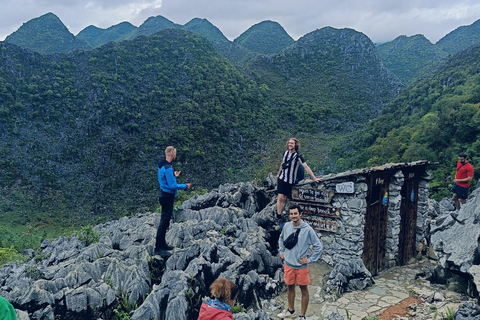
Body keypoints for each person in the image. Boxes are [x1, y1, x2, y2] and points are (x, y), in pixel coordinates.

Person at [277, 204, 322, 320]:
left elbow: (318, 246)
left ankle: (302, 316)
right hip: (288, 264)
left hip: (301, 266)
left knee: (304, 290)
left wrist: (310, 259)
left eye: (295, 213)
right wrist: (281, 252)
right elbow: (281, 239)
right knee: (290, 288)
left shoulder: (307, 230)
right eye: (291, 214)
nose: (293, 216)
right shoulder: (287, 226)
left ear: (300, 214)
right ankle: (291, 311)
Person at [154, 146, 191, 254]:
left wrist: (173, 175)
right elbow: (172, 185)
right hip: (167, 196)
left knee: (165, 221)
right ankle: (158, 248)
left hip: (163, 194)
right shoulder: (168, 168)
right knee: (164, 221)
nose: (175, 155)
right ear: (171, 154)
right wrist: (185, 186)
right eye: (175, 153)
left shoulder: (162, 164)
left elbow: (164, 177)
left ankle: (163, 244)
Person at [276, 138, 322, 224]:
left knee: (285, 198)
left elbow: (306, 167)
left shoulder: (298, 156)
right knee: (280, 197)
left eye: (292, 143)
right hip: (282, 178)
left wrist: (314, 178)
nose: (290, 144)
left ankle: (280, 214)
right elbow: (282, 164)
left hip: (290, 181)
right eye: (289, 143)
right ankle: (278, 216)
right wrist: (278, 174)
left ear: (295, 145)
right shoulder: (286, 153)